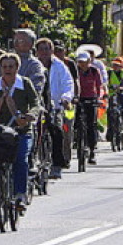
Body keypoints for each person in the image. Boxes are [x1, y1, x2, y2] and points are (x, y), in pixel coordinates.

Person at [0, 53, 40, 209]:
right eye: (4, 67)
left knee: (20, 160)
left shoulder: (25, 83)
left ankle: (20, 195)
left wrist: (31, 114)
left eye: (11, 66)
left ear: (17, 68)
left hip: (20, 130)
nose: (7, 70)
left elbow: (36, 103)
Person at [34, 38, 74, 179]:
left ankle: (57, 165)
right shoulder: (34, 65)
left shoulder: (60, 66)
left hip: (55, 105)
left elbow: (68, 83)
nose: (44, 52)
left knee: (57, 130)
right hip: (36, 107)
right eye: (41, 49)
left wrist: (66, 98)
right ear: (36, 51)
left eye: (47, 49)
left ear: (52, 51)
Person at [74, 51, 105, 164]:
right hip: (78, 98)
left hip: (91, 99)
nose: (82, 64)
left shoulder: (94, 71)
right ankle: (77, 141)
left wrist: (99, 98)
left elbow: (99, 86)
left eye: (84, 62)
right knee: (76, 122)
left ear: (89, 61)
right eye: (80, 62)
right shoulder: (75, 71)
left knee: (91, 125)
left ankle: (92, 150)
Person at [11, 28, 47, 95]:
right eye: (15, 40)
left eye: (20, 41)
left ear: (30, 44)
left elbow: (36, 89)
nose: (16, 43)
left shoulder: (34, 65)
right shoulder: (7, 60)